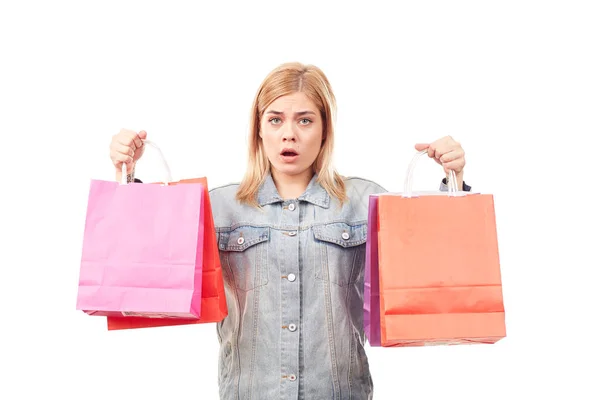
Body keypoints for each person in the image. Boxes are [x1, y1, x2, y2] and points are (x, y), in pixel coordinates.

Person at [108, 62, 470, 399]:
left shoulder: (365, 200)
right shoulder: (219, 207)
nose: (290, 135)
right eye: (276, 120)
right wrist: (128, 178)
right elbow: (149, 269)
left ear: (325, 129)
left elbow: (433, 267)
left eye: (305, 120)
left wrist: (452, 181)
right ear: (259, 129)